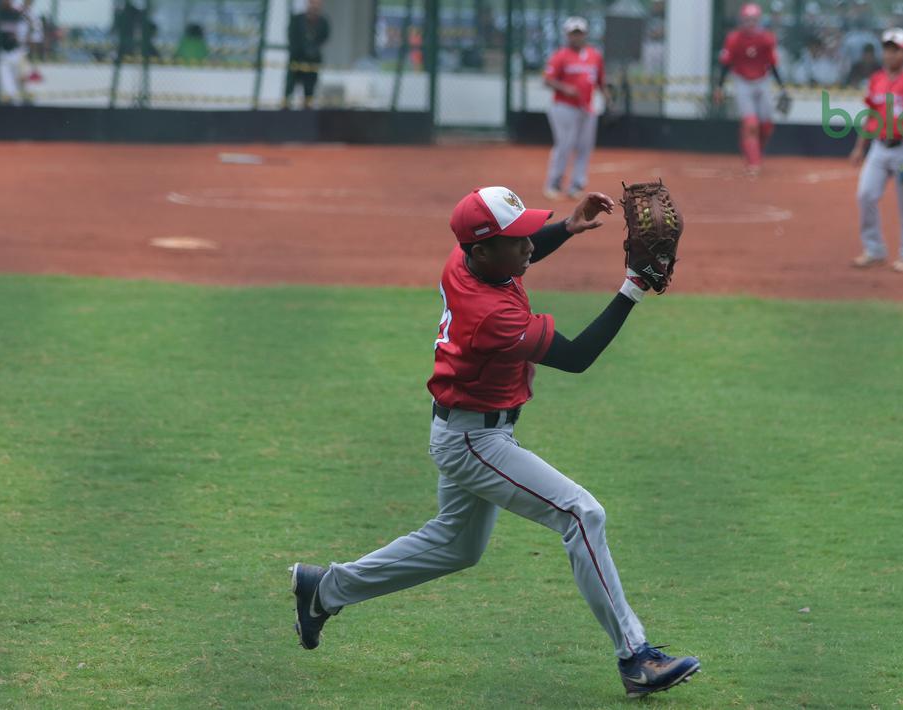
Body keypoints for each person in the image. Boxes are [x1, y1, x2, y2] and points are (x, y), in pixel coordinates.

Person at [290, 186, 701, 700]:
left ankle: (324, 589)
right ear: (481, 250)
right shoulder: (491, 316)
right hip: (475, 442)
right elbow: (576, 357)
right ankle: (637, 658)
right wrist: (634, 287)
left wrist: (567, 229)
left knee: (456, 545)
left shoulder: (465, 261)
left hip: (467, 427)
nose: (529, 245)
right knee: (581, 514)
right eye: (518, 239)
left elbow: (513, 256)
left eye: (529, 233)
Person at [849, 28, 903, 274]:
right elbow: (871, 114)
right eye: (887, 49)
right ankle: (874, 250)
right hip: (879, 147)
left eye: (895, 50)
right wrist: (859, 147)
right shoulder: (876, 79)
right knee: (865, 195)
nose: (890, 54)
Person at [713, 3, 787, 176]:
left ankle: (755, 151)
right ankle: (753, 161)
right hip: (742, 81)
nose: (750, 24)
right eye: (747, 20)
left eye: (753, 20)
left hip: (762, 81)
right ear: (742, 20)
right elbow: (725, 64)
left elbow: (773, 65)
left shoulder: (767, 39)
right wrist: (719, 87)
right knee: (751, 124)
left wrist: (782, 87)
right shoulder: (733, 39)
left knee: (766, 125)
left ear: (759, 20)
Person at [542, 16, 607, 200]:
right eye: (573, 33)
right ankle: (554, 183)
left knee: (585, 146)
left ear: (585, 34)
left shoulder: (595, 55)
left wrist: (607, 97)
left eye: (579, 33)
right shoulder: (560, 56)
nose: (576, 37)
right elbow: (547, 79)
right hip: (564, 107)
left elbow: (600, 80)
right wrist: (565, 88)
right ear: (567, 35)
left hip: (587, 107)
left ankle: (576, 185)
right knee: (564, 144)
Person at [283, 0, 329, 110]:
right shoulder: (297, 20)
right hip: (296, 59)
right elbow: (292, 37)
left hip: (312, 61)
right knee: (289, 88)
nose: (315, 5)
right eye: (313, 2)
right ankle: (284, 111)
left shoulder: (323, 22)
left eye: (318, 3)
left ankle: (307, 113)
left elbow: (323, 38)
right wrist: (301, 50)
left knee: (309, 90)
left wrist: (312, 51)